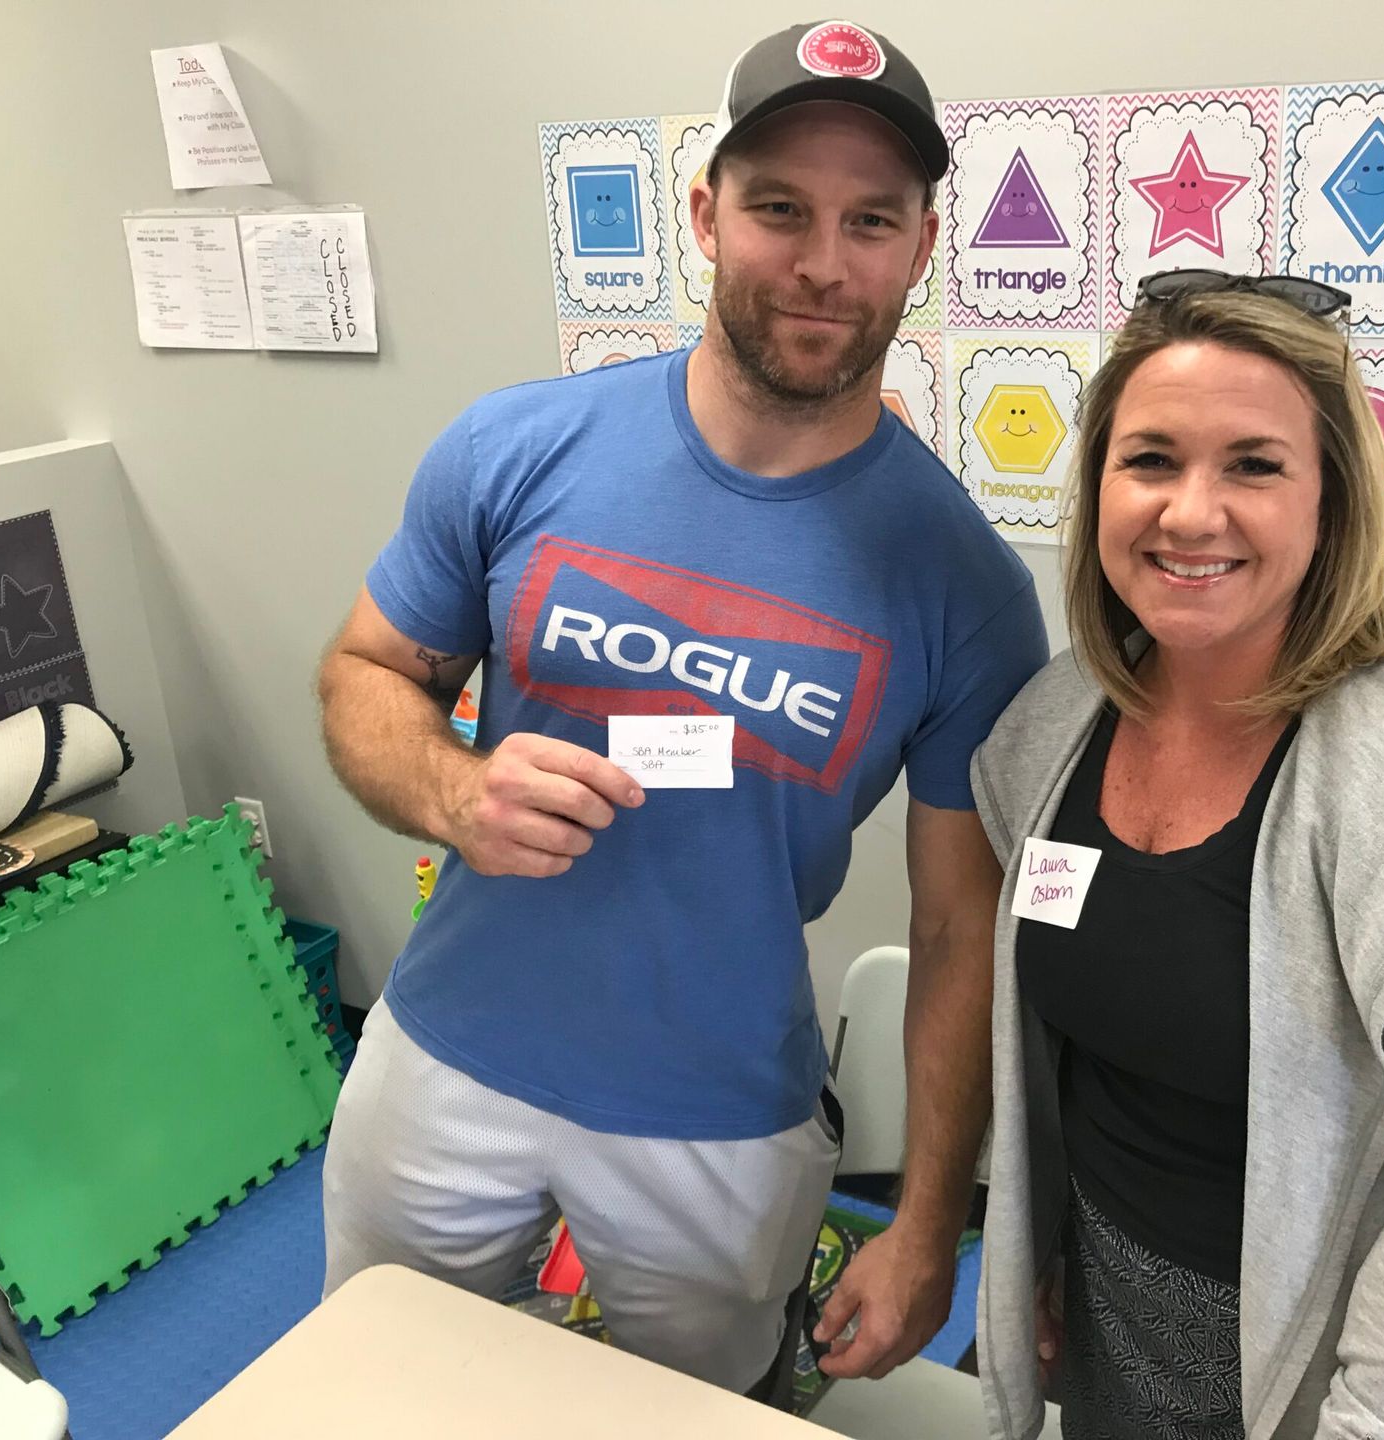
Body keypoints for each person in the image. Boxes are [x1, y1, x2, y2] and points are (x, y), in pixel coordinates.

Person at [315, 20, 1047, 1400]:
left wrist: (931, 1223)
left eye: (870, 220)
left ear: (922, 248)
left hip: (719, 1119)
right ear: (707, 216)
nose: (824, 262)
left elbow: (959, 932)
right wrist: (453, 791)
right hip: (446, 1056)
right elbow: (365, 676)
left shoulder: (965, 588)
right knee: (385, 1396)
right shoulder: (514, 448)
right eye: (781, 208)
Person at [969, 270, 1384, 1440]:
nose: (1191, 513)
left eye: (1254, 465)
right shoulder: (1051, 725)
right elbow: (1061, 1055)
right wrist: (1048, 1246)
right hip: (1123, 1333)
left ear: (1332, 501)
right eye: (1150, 459)